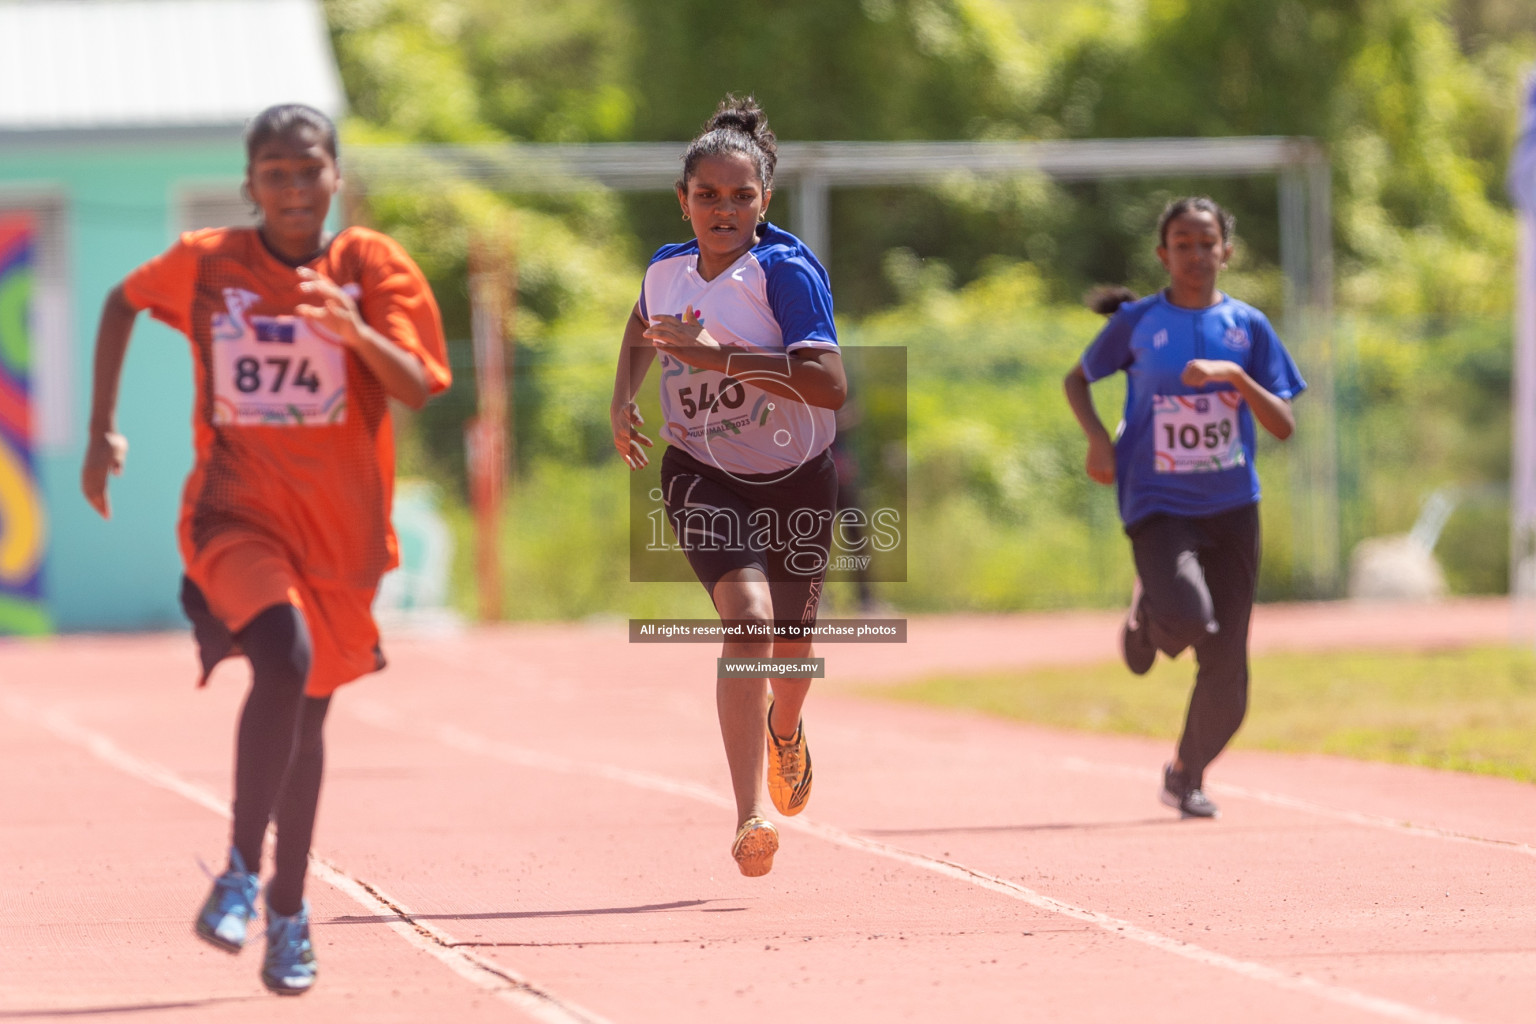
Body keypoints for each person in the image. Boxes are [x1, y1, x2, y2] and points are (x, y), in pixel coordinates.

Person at [80, 104, 451, 994]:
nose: (292, 187)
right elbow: (119, 301)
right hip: (234, 513)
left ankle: (288, 911)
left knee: (309, 719)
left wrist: (349, 331)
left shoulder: (371, 266)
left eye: (308, 170)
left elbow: (420, 386)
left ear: (335, 179)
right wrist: (101, 430)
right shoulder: (208, 265)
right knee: (282, 661)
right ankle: (242, 871)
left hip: (343, 534)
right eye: (274, 173)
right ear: (251, 185)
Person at [610, 95, 846, 877]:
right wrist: (622, 398)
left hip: (799, 478)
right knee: (745, 622)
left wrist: (717, 359)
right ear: (683, 199)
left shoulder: (785, 271)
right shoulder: (666, 269)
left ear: (764, 200)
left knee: (791, 646)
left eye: (740, 195)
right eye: (706, 195)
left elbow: (828, 383)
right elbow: (640, 323)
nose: (723, 208)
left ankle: (786, 728)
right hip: (703, 472)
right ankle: (749, 814)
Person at [1063, 196, 1305, 819]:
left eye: (1207, 243)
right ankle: (1152, 617)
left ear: (1226, 251)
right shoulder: (1139, 322)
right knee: (1191, 617)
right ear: (1162, 253)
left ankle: (1186, 773)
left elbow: (1283, 425)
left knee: (1229, 676)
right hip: (1157, 498)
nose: (1196, 254)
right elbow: (1078, 378)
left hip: (1232, 506)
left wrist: (1236, 377)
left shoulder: (1248, 327)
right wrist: (1097, 440)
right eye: (1183, 243)